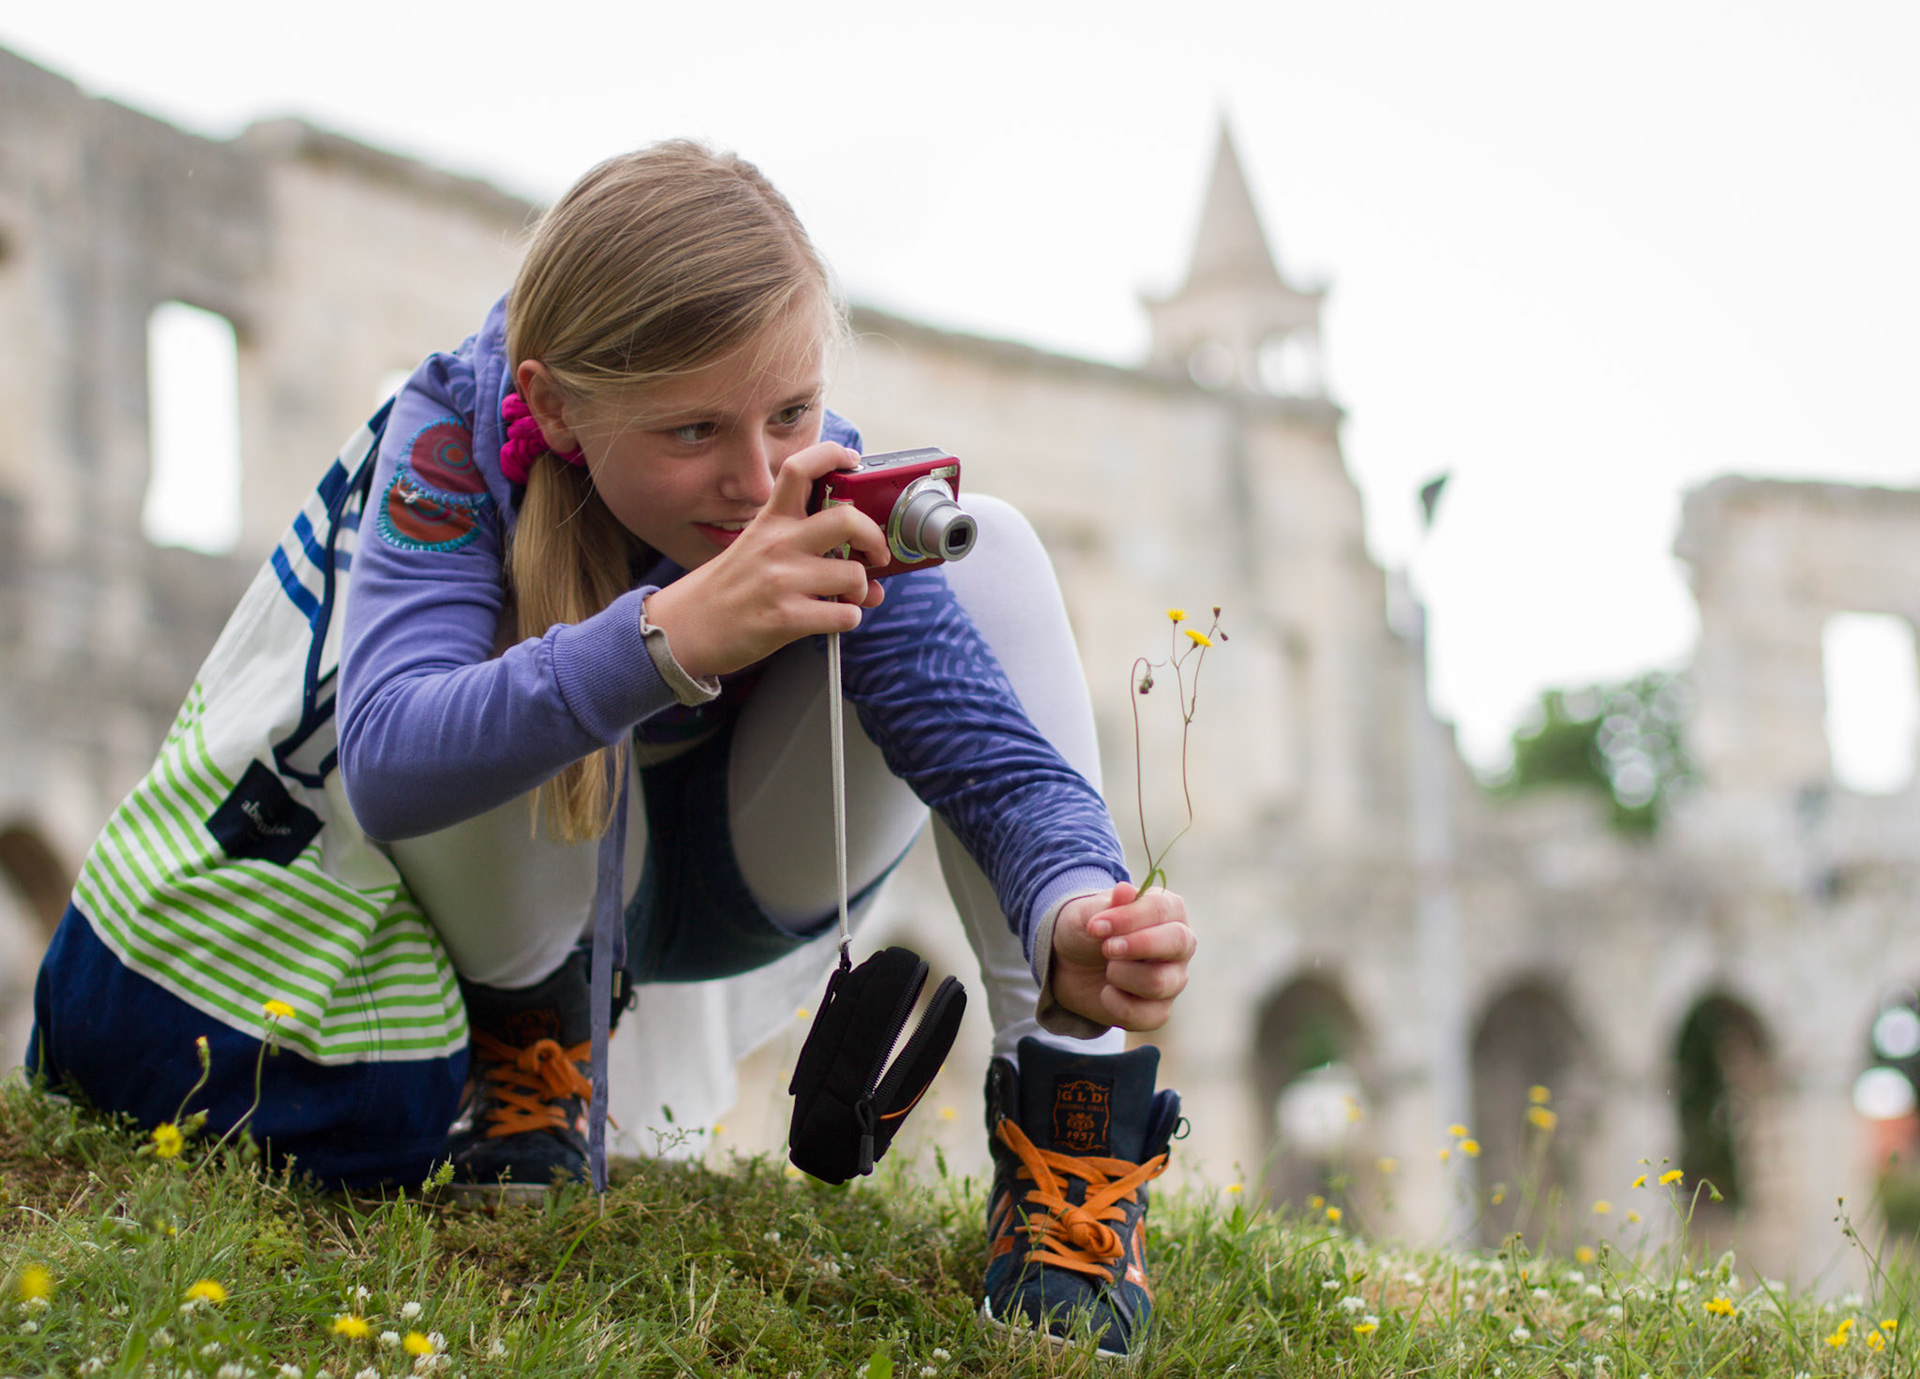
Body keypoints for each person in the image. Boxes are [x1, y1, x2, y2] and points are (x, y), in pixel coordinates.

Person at [27, 141, 1196, 1358]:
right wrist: (670, 635)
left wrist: (1073, 905)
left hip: (756, 874)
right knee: (502, 637)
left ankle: (1071, 1135)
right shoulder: (448, 439)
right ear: (560, 401)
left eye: (789, 410)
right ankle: (538, 1064)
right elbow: (386, 754)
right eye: (694, 428)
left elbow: (988, 755)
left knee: (985, 541)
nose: (755, 478)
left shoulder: (810, 470)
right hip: (530, 905)